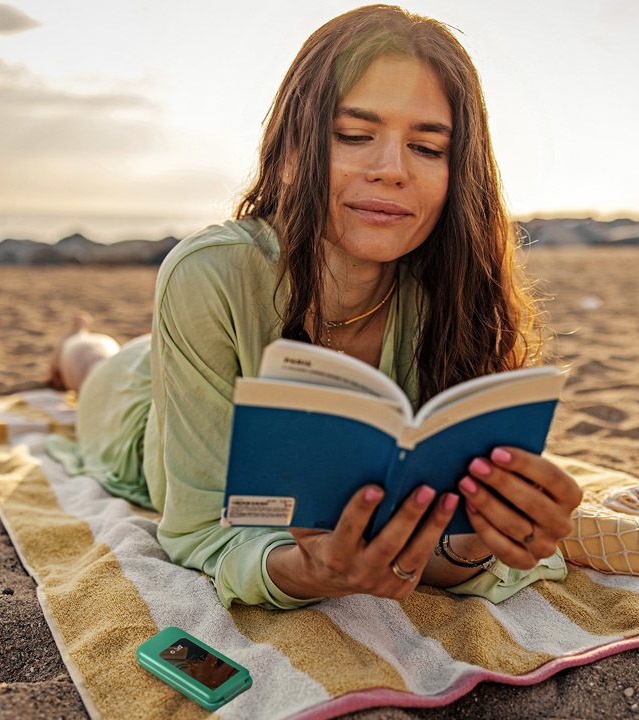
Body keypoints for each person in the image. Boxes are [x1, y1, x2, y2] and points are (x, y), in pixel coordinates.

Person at [46, 4, 584, 610]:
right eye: (354, 136)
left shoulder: (459, 289)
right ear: (295, 141)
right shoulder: (209, 272)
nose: (391, 171)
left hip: (203, 355)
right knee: (94, 366)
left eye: (428, 147)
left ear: (459, 170)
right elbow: (197, 531)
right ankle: (74, 340)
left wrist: (479, 542)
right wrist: (307, 574)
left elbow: (443, 550)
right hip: (139, 409)